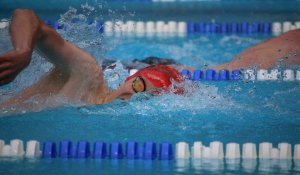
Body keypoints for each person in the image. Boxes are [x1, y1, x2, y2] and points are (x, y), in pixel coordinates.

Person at [0, 9, 300, 110]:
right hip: (127, 67)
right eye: (137, 90)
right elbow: (26, 15)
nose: (131, 100)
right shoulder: (88, 78)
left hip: (165, 72)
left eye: (145, 97)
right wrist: (24, 51)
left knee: (230, 71)